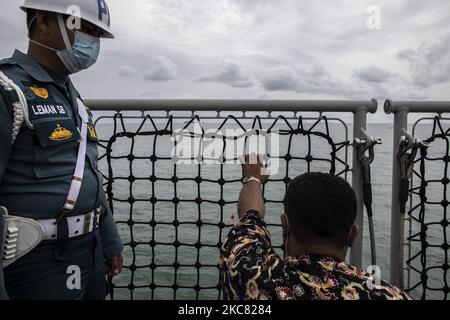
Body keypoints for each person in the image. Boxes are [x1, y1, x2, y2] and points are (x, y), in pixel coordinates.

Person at [0, 0, 123, 299]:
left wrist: (109, 240)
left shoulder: (76, 101)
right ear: (43, 20)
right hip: (34, 261)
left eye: (98, 34)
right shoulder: (8, 90)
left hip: (90, 254)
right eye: (87, 29)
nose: (93, 42)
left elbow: (88, 172)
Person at [220, 154, 410, 300]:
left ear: (285, 227)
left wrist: (252, 178)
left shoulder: (250, 276)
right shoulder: (390, 295)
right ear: (352, 235)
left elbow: (250, 218)